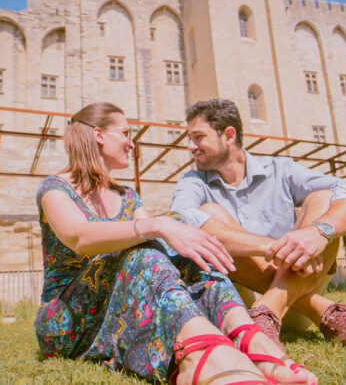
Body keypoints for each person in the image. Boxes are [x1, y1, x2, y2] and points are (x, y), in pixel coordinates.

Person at [34, 102, 318, 385]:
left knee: (180, 246)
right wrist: (158, 225)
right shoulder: (56, 188)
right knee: (148, 243)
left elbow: (163, 248)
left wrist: (174, 231)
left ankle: (245, 334)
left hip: (117, 310)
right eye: (125, 133)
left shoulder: (128, 196)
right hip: (67, 322)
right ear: (99, 135)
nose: (131, 144)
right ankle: (200, 353)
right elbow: (79, 237)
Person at [171, 98, 346, 350]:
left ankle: (268, 309)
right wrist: (282, 246)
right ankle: (324, 311)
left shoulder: (281, 169)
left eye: (198, 137)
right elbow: (180, 219)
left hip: (296, 290)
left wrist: (320, 232)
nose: (190, 146)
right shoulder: (193, 181)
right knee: (208, 213)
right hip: (241, 305)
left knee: (323, 198)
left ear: (228, 135)